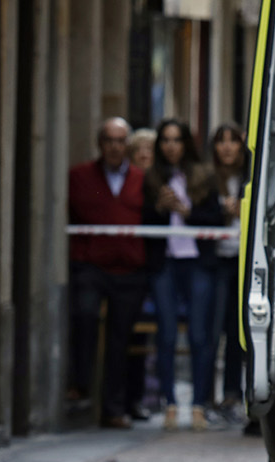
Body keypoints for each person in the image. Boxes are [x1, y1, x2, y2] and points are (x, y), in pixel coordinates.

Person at [67, 117, 150, 429]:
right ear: (100, 144)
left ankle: (113, 408)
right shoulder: (79, 176)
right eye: (109, 140)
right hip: (92, 265)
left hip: (129, 269)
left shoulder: (142, 180)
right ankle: (81, 382)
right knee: (85, 314)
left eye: (120, 141)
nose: (115, 147)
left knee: (120, 338)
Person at [143, 119, 225, 431]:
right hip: (165, 262)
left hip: (197, 262)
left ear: (186, 143)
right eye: (165, 140)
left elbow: (215, 218)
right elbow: (143, 221)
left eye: (177, 139)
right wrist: (161, 207)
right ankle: (171, 405)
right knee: (165, 333)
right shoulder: (151, 177)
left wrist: (186, 211)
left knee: (199, 335)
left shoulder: (204, 175)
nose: (171, 146)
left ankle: (199, 405)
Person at [206, 122, 249, 431]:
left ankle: (233, 396)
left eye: (233, 141)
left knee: (237, 332)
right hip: (215, 262)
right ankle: (207, 399)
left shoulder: (250, 179)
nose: (227, 147)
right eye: (221, 141)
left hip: (242, 261)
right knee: (210, 332)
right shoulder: (207, 180)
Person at [124, 127, 158, 421]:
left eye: (150, 150)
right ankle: (133, 396)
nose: (145, 156)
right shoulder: (128, 184)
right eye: (138, 151)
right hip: (132, 266)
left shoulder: (161, 183)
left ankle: (147, 395)